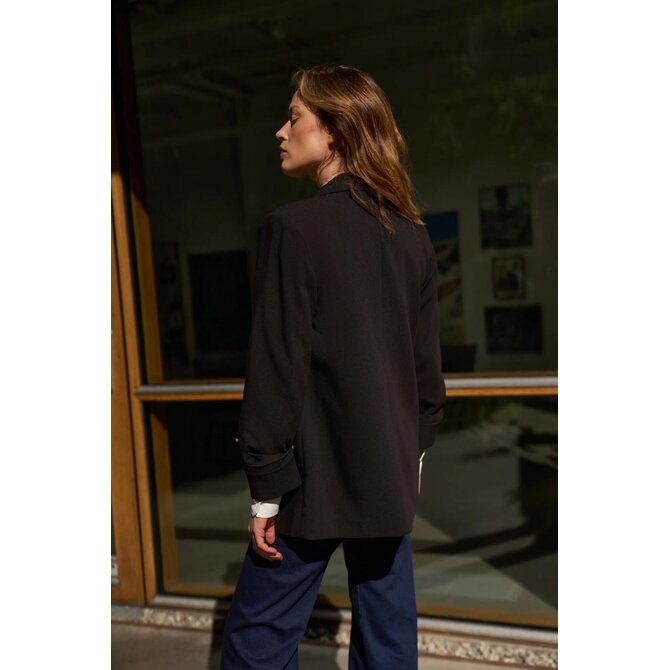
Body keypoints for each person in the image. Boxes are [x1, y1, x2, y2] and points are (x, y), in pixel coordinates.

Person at [220, 64, 445, 670]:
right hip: (386, 475)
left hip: (309, 482)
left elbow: (276, 367)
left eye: (294, 117)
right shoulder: (412, 236)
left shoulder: (293, 230)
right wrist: (411, 454)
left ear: (335, 131)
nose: (280, 131)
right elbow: (426, 375)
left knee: (255, 645)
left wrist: (265, 490)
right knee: (388, 646)